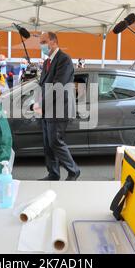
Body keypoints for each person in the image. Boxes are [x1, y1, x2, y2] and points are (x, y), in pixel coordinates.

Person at [35, 32, 80, 181]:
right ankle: (53, 174)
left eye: (43, 42)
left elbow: (57, 87)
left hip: (59, 108)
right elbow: (42, 85)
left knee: (55, 141)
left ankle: (73, 170)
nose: (41, 45)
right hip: (47, 109)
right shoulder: (47, 62)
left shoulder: (64, 59)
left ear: (53, 42)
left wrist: (42, 104)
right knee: (48, 144)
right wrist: (36, 102)